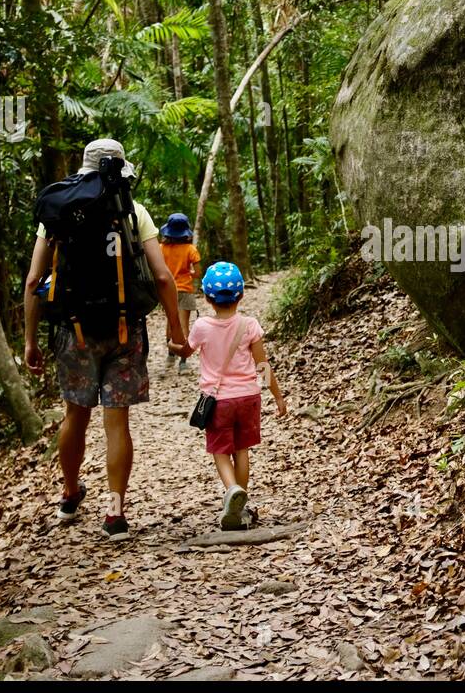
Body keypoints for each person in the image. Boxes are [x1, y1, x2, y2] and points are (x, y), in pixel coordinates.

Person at [23, 139, 187, 541]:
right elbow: (163, 277)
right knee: (117, 423)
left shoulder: (58, 212)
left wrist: (30, 341)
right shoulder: (135, 211)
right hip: (123, 328)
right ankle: (115, 513)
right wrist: (175, 328)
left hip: (74, 329)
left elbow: (33, 282)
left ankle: (69, 493)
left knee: (74, 415)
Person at [169, 262, 287, 530]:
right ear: (241, 294)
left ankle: (232, 490)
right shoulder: (249, 325)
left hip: (218, 400)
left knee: (221, 451)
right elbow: (262, 366)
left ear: (208, 298)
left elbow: (186, 352)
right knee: (241, 449)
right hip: (248, 398)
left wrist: (173, 346)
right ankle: (240, 505)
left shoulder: (201, 326)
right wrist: (278, 397)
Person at [159, 212, 202, 374]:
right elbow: (198, 272)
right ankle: (183, 363)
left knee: (170, 322)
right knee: (184, 325)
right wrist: (187, 273)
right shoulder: (191, 249)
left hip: (167, 290)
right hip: (185, 289)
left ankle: (170, 355)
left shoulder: (161, 248)